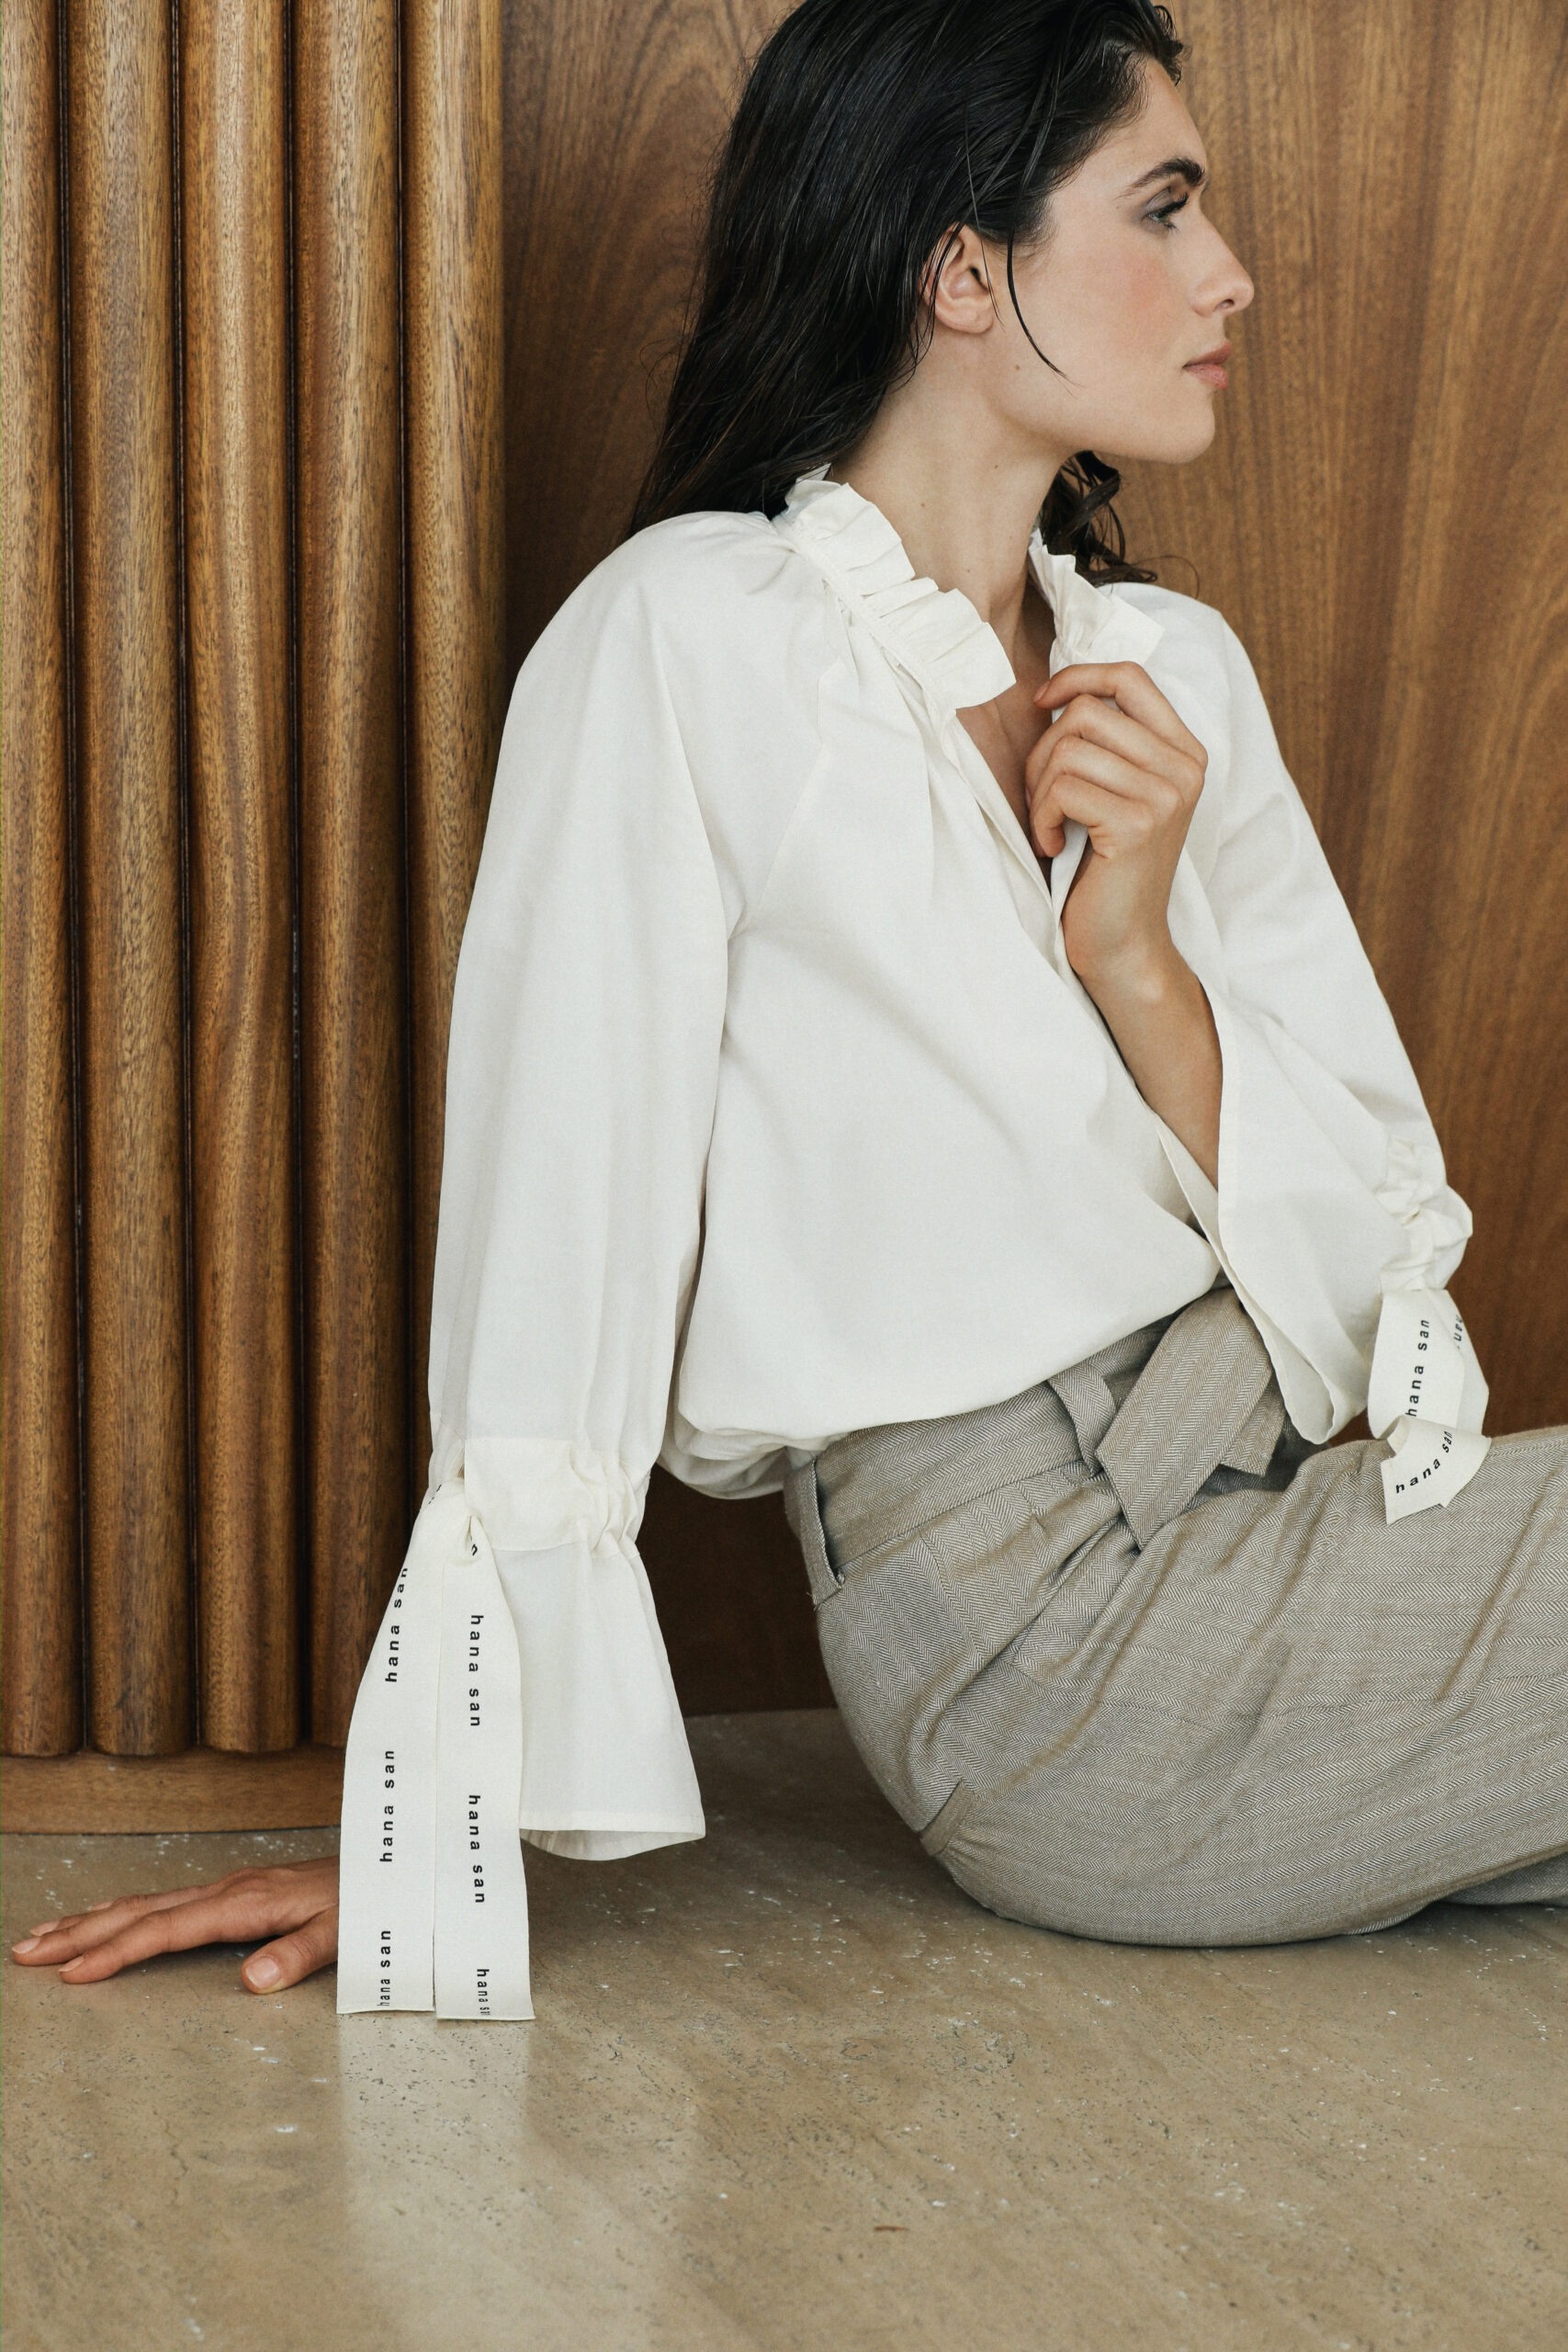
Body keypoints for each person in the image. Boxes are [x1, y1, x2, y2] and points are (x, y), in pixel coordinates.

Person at [17, 0, 1564, 2009]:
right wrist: (438, 1815)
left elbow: (1373, 1257)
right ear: (962, 267)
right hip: (1047, 1648)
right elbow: (563, 1217)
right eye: (1164, 207)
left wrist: (1136, 960)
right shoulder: (690, 640)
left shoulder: (1171, 673)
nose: (1229, 274)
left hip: (1294, 1506)